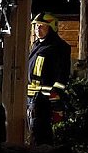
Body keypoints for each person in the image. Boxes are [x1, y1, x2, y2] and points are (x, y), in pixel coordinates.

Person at [26, 12, 71, 144]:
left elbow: (63, 75)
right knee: (31, 134)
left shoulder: (59, 47)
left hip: (44, 100)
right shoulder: (36, 45)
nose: (37, 29)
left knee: (40, 135)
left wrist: (55, 97)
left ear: (51, 28)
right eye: (36, 26)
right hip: (30, 99)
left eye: (42, 26)